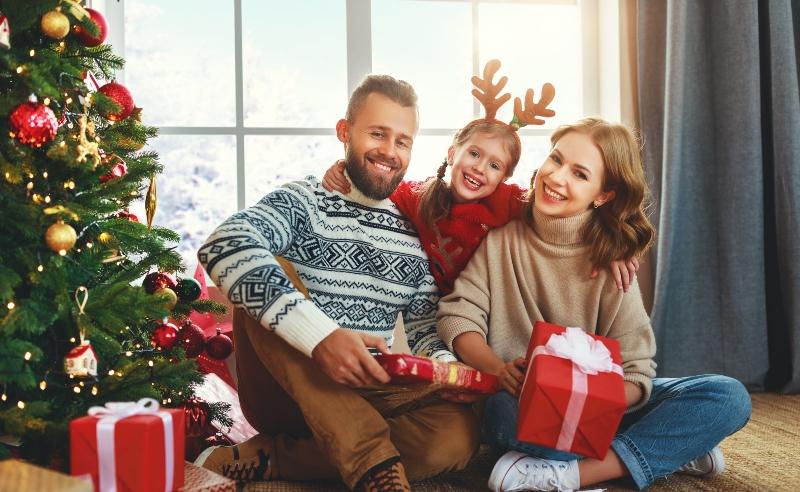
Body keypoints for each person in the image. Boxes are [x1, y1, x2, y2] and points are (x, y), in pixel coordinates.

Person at [436, 117, 752, 491]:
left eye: (580, 174)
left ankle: (576, 474)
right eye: (556, 160)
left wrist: (588, 407)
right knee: (500, 412)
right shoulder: (501, 240)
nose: (556, 178)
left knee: (728, 396)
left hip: (601, 411)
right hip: (522, 401)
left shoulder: (611, 260)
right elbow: (458, 317)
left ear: (603, 195)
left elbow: (636, 373)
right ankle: (664, 452)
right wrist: (498, 368)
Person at [196, 74, 479, 491]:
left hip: (367, 393)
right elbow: (222, 244)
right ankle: (372, 464)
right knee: (273, 268)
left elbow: (423, 331)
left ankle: (272, 458)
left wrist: (449, 372)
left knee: (457, 436)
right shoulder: (304, 199)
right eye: (377, 134)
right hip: (286, 391)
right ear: (345, 132)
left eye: (402, 141)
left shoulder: (413, 232)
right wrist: (322, 337)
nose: (389, 151)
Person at [324, 60, 638, 296]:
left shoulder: (509, 202)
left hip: (486, 304)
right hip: (433, 309)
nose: (479, 169)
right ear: (452, 154)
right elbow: (377, 180)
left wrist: (617, 248)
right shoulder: (418, 195)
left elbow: (570, 221)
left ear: (505, 177)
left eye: (494, 166)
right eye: (474, 154)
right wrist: (344, 166)